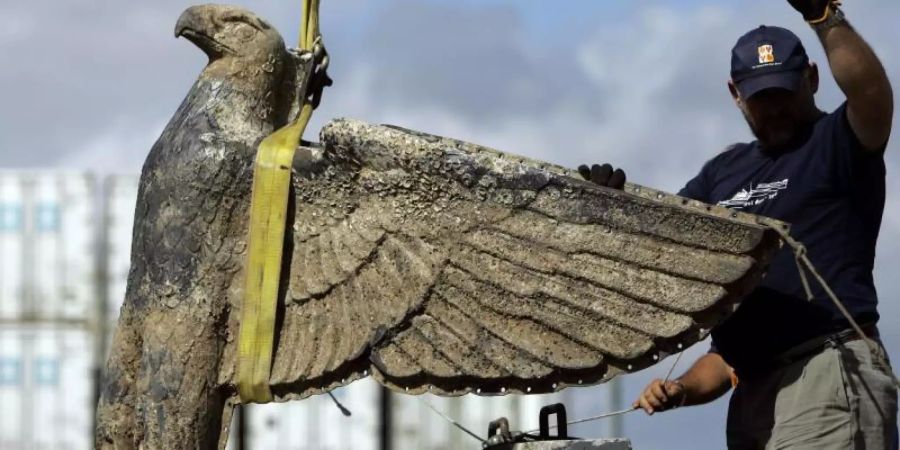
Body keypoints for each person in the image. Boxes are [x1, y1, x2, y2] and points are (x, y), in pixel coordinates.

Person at [579, 1, 896, 448]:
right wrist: (605, 211)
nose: (775, 109)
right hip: (753, 398)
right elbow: (663, 246)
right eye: (761, 98)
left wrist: (826, 18)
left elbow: (871, 95)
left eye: (784, 93)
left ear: (812, 79)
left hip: (826, 373)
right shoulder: (720, 175)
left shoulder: (838, 143)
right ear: (735, 94)